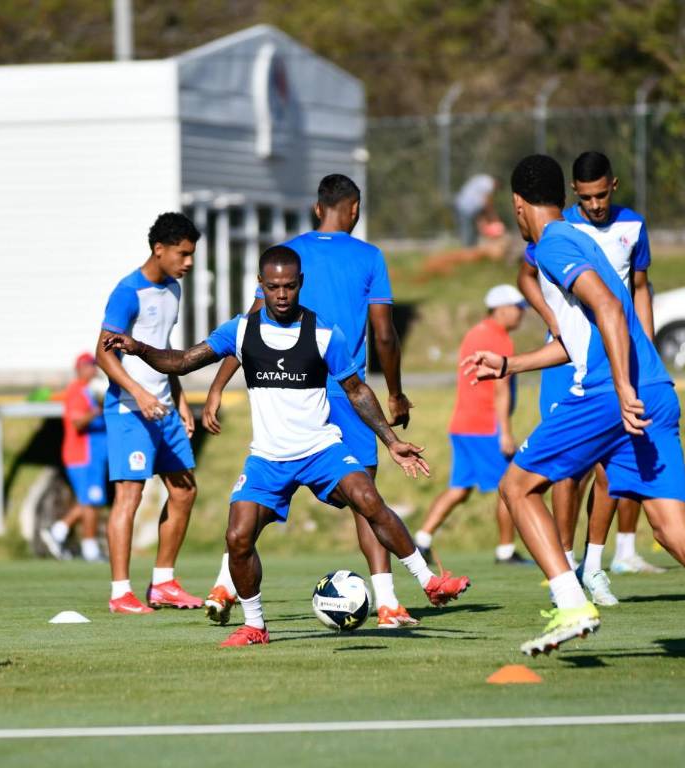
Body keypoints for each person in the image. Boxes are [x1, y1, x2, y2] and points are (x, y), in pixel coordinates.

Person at [463, 154, 685, 668]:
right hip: (654, 389)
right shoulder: (582, 241)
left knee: (516, 486)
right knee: (671, 527)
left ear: (518, 205)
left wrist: (621, 385)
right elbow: (578, 339)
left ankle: (571, 604)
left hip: (614, 394)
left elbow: (609, 312)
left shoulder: (553, 245)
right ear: (564, 198)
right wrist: (510, 363)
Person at [105, 245, 471, 647]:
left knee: (368, 497)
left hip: (320, 450)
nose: (282, 295)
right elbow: (182, 361)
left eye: (290, 286)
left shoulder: (324, 332)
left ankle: (430, 581)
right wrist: (140, 349)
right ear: (261, 285)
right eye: (274, 286)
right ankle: (255, 625)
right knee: (238, 537)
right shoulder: (241, 330)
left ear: (301, 285)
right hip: (268, 458)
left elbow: (357, 390)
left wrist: (391, 440)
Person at [201, 174, 420, 629]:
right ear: (354, 210)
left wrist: (219, 385)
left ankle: (224, 583)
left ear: (318, 209)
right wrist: (395, 392)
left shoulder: (288, 256)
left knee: (255, 504)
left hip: (290, 388)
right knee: (367, 500)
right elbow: (383, 332)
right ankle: (387, 604)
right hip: (345, 389)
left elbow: (251, 332)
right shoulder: (369, 256)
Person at [518, 151, 662, 608]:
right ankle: (563, 564)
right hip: (569, 358)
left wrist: (645, 351)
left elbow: (638, 289)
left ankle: (593, 566)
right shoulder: (558, 231)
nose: (596, 205)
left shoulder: (632, 227)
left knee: (611, 467)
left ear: (613, 186)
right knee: (566, 469)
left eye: (602, 195)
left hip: (615, 358)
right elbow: (526, 277)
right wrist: (552, 320)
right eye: (587, 197)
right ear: (574, 196)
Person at [95, 212, 203, 614]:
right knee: (130, 495)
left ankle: (163, 584)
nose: (188, 262)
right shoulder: (127, 292)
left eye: (192, 254)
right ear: (159, 249)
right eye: (183, 253)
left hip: (165, 409)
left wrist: (182, 399)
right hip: (129, 409)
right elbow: (102, 355)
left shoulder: (173, 289)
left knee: (184, 489)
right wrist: (139, 394)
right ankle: (121, 593)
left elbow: (163, 349)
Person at [414, 284, 532, 566]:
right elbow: (501, 390)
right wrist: (505, 431)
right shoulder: (498, 338)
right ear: (502, 309)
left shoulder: (476, 333)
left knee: (460, 488)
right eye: (518, 308)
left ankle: (421, 540)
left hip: (462, 424)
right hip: (484, 425)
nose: (521, 314)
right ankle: (505, 551)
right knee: (509, 486)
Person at [41, 352, 107, 563]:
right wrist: (96, 411)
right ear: (80, 368)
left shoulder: (87, 391)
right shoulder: (77, 391)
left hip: (93, 457)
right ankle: (89, 549)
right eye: (90, 366)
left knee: (91, 501)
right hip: (82, 455)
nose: (94, 369)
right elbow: (78, 422)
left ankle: (58, 532)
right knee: (91, 502)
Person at [454, 173, 499, 247]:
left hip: (463, 204)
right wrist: (494, 218)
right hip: (466, 207)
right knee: (468, 230)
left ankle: (471, 247)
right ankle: (467, 249)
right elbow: (487, 203)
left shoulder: (483, 179)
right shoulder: (489, 183)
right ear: (497, 183)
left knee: (471, 230)